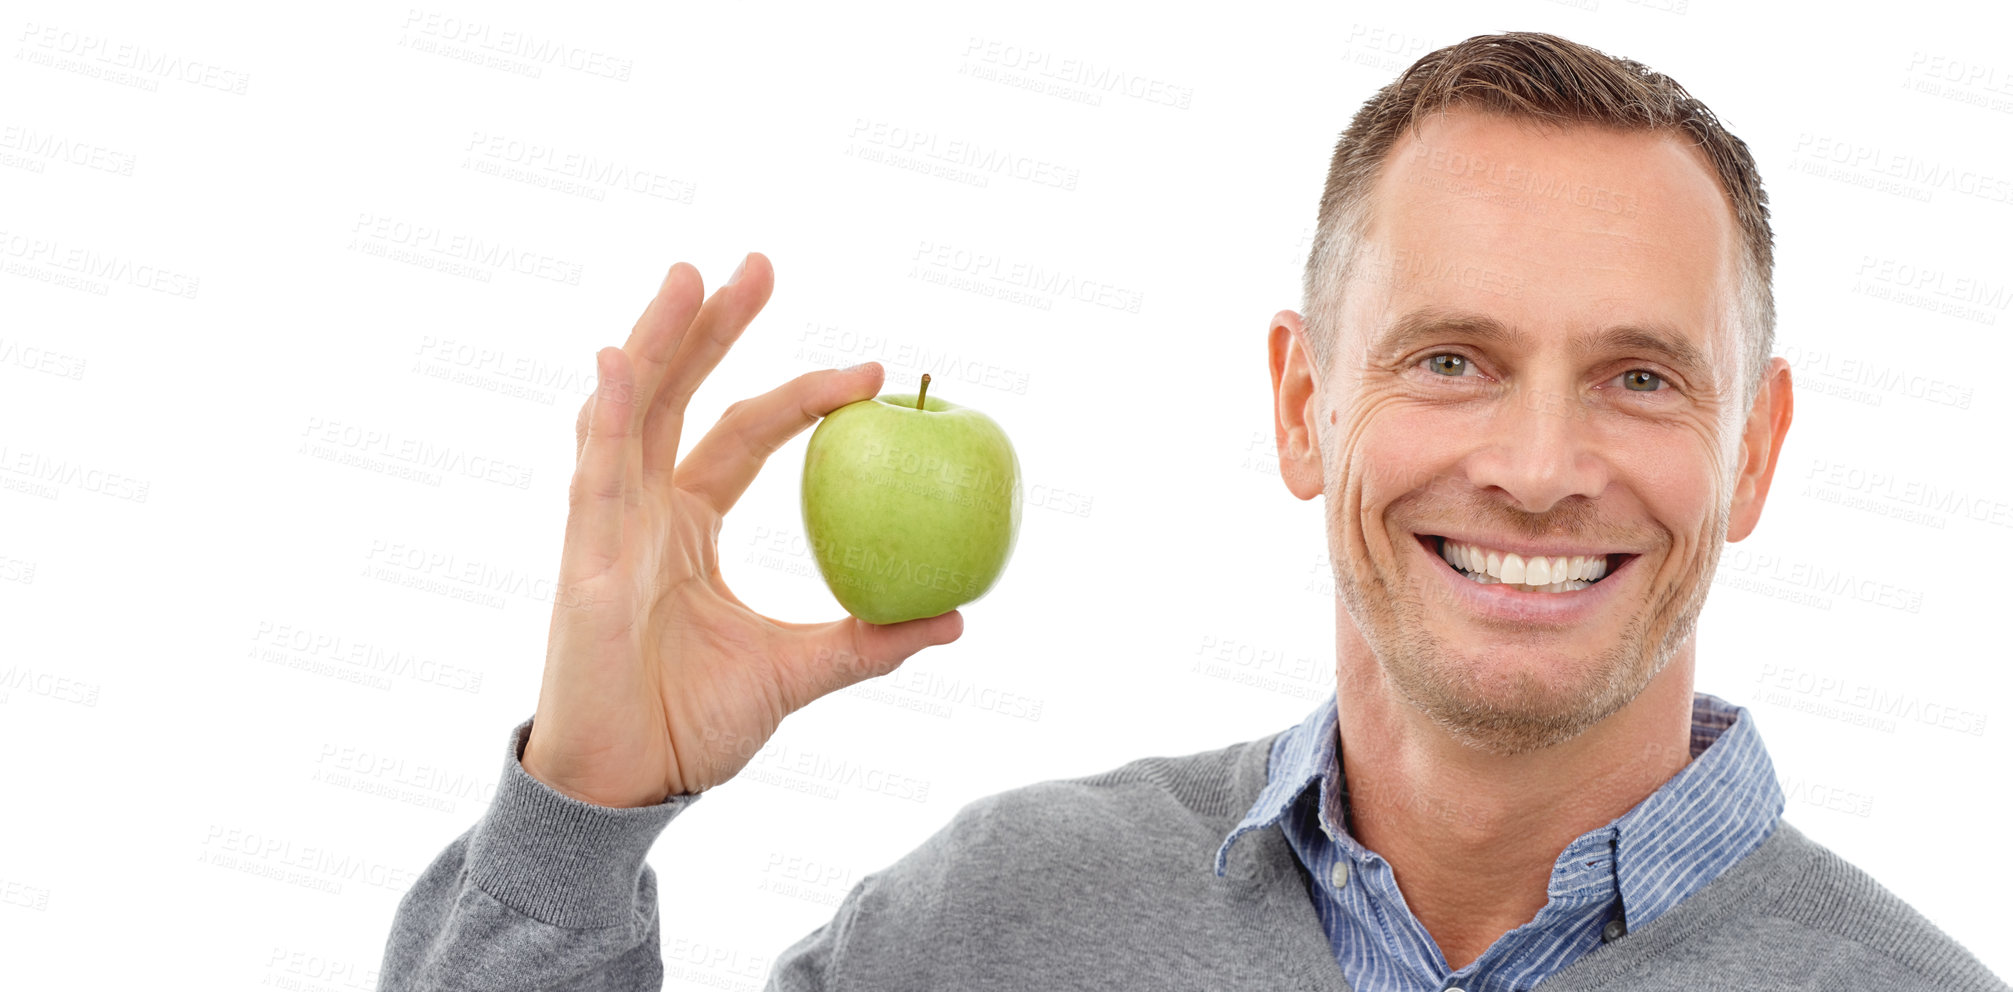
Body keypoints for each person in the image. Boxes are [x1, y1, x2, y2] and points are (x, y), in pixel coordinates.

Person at [375, 31, 2006, 991]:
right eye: (1450, 357)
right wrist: (582, 809)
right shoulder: (997, 925)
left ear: (1755, 450)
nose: (1533, 460)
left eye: (1640, 378)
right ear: (1305, 406)